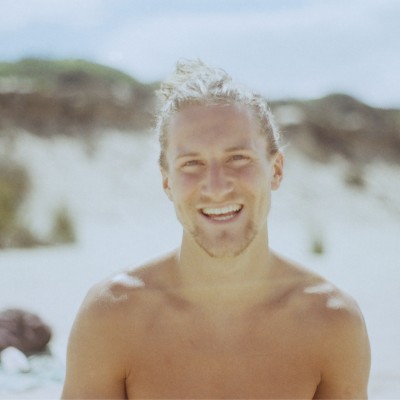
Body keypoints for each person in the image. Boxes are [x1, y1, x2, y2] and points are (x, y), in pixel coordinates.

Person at [62, 59, 370, 399]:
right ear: (167, 182)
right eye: (191, 163)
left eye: (238, 158)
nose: (217, 186)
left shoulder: (332, 324)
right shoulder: (112, 318)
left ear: (276, 170)